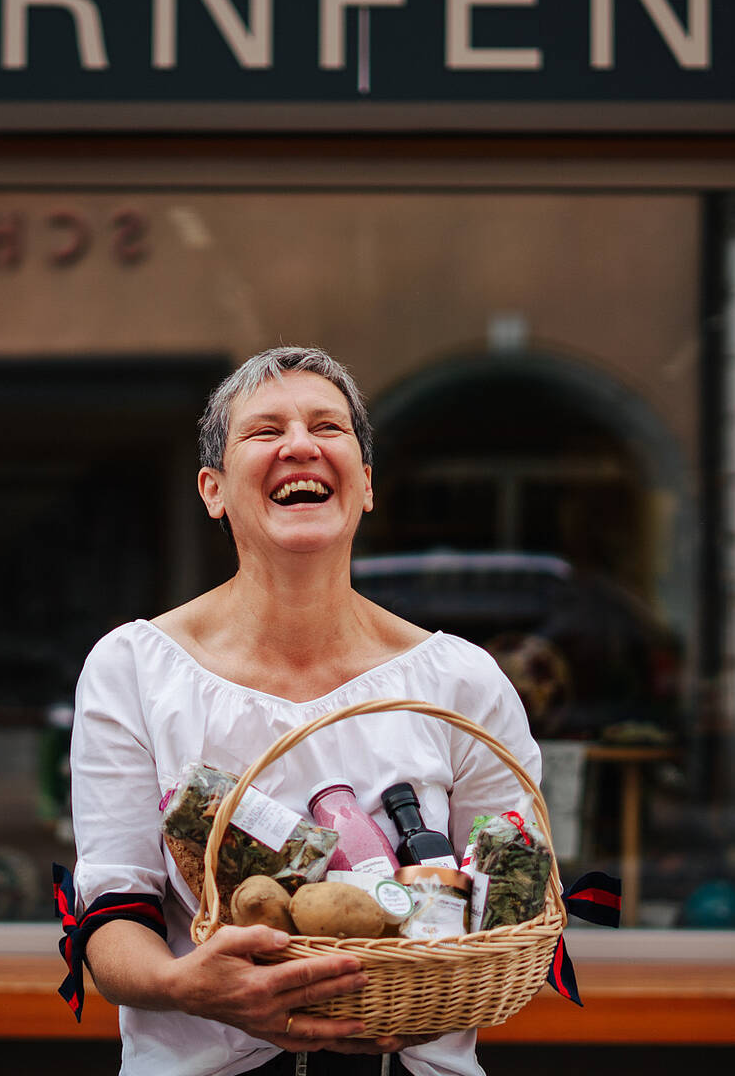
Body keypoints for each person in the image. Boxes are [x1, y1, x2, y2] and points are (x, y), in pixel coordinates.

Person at [68, 346, 541, 1076]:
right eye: (265, 432)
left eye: (328, 426)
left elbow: (515, 898)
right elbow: (113, 912)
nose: (300, 445)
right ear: (213, 490)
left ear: (366, 485)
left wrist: (430, 982)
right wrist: (181, 983)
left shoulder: (460, 683)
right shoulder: (135, 670)